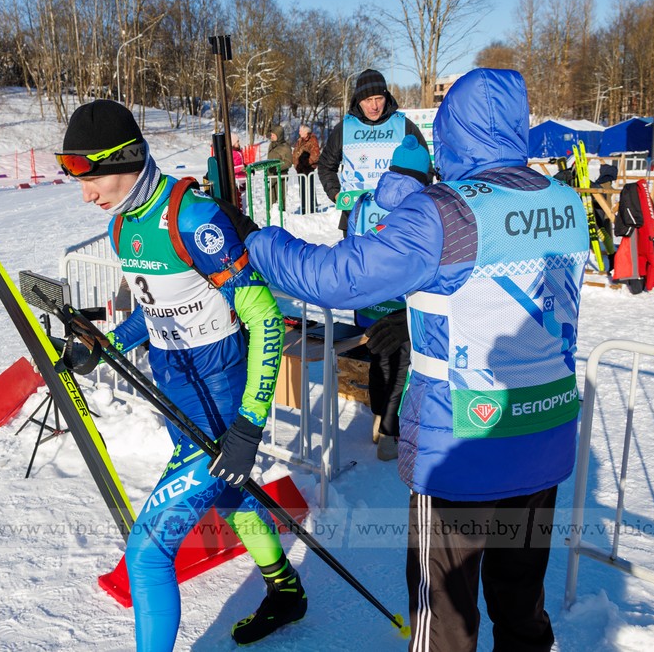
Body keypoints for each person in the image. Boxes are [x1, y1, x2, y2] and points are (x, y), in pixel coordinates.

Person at [237, 69, 590, 651]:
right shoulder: (565, 201)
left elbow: (339, 276)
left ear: (452, 133)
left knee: (443, 621)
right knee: (521, 605)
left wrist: (257, 241)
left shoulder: (446, 213)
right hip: (544, 434)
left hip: (462, 446)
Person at [55, 100, 305, 650]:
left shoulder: (191, 218)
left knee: (148, 552)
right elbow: (154, 311)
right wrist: (103, 347)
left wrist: (247, 425)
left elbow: (265, 319)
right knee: (230, 497)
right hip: (176, 390)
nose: (86, 194)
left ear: (128, 159)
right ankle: (286, 591)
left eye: (92, 178)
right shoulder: (122, 226)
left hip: (220, 398)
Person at [347, 135, 430, 461]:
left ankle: (378, 419)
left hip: (367, 303)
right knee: (401, 369)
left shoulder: (365, 203)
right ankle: (388, 433)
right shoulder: (423, 207)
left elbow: (351, 246)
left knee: (378, 359)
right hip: (401, 307)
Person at [316, 68, 429, 234]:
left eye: (379, 99)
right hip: (355, 218)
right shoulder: (345, 128)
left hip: (396, 220)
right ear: (358, 100)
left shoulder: (404, 125)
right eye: (368, 100)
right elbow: (326, 165)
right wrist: (336, 194)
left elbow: (425, 168)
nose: (374, 106)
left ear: (386, 97)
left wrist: (412, 200)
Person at [266, 125, 293, 205]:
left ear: (279, 135)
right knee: (271, 199)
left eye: (274, 135)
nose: (271, 136)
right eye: (271, 134)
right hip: (271, 176)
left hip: (281, 176)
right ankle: (271, 212)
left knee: (281, 199)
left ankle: (282, 212)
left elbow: (288, 162)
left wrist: (277, 167)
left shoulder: (285, 147)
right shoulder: (271, 145)